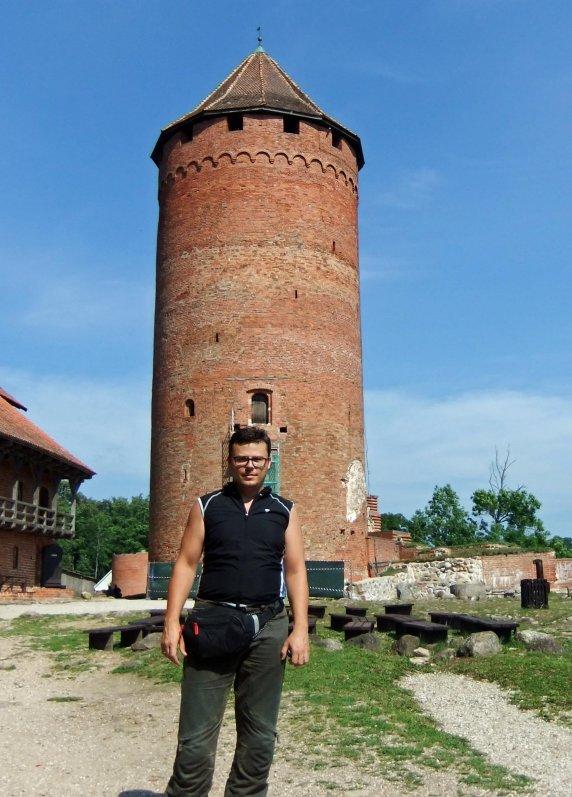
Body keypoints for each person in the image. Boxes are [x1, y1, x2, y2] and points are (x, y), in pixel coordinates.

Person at [162, 425, 310, 796]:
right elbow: (186, 563)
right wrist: (171, 621)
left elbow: (295, 570)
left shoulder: (284, 511)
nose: (249, 465)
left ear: (269, 462)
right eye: (242, 459)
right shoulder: (207, 506)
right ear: (229, 462)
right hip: (212, 622)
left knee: (260, 735)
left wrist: (300, 629)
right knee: (195, 739)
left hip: (267, 625)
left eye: (257, 459)